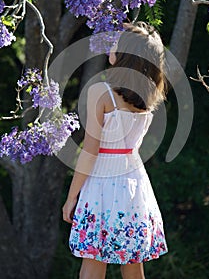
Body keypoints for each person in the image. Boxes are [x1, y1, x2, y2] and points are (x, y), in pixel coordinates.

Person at [62, 22, 168, 279]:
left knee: (93, 262)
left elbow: (90, 152)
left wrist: (71, 197)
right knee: (133, 266)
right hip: (134, 186)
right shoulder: (146, 100)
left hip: (101, 184)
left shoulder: (101, 92)